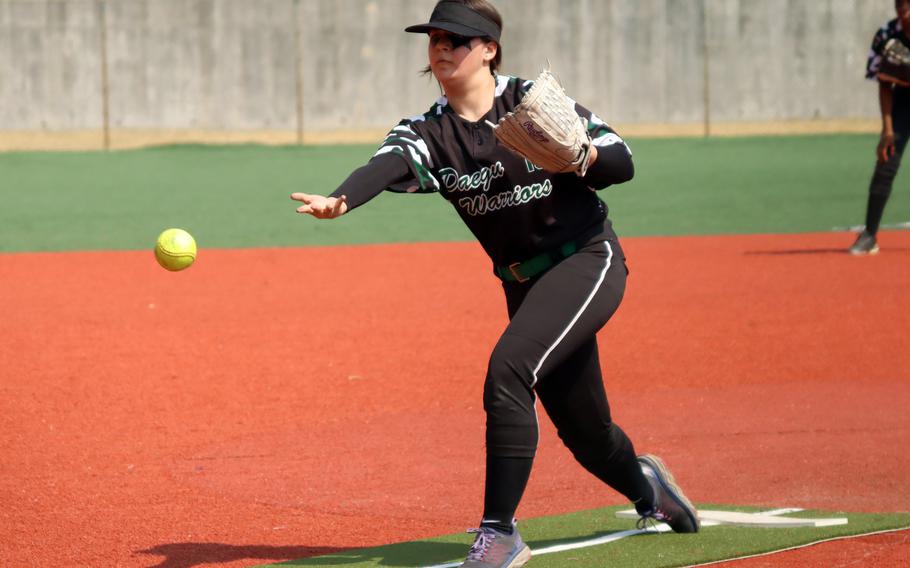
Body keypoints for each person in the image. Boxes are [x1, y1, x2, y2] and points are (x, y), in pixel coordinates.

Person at [290, 1, 699, 566]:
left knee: (508, 371)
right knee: (587, 433)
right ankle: (649, 490)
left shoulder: (532, 104)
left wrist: (580, 155)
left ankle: (499, 533)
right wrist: (341, 198)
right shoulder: (429, 133)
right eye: (434, 38)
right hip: (524, 285)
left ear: (489, 49)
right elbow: (384, 165)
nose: (441, 48)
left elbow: (622, 161)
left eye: (456, 39)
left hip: (586, 258)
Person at [852, 0, 910, 255]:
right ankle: (869, 235)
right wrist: (887, 130)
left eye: (908, 6)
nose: (903, 12)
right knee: (886, 164)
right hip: (903, 103)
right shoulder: (887, 35)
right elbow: (884, 85)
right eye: (899, 6)